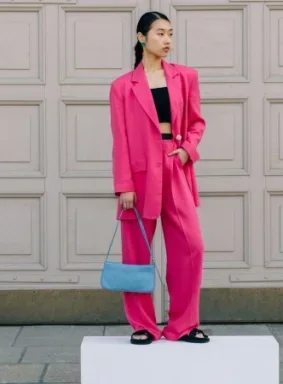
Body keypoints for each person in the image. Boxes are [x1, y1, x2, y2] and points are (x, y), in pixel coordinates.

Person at [108, 11, 208, 345]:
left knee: (191, 246)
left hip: (174, 167)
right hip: (138, 175)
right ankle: (142, 325)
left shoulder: (185, 77)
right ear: (141, 38)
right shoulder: (123, 86)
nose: (167, 40)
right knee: (135, 252)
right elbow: (120, 138)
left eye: (170, 34)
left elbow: (196, 123)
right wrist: (124, 185)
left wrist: (186, 152)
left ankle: (184, 324)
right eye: (160, 33)